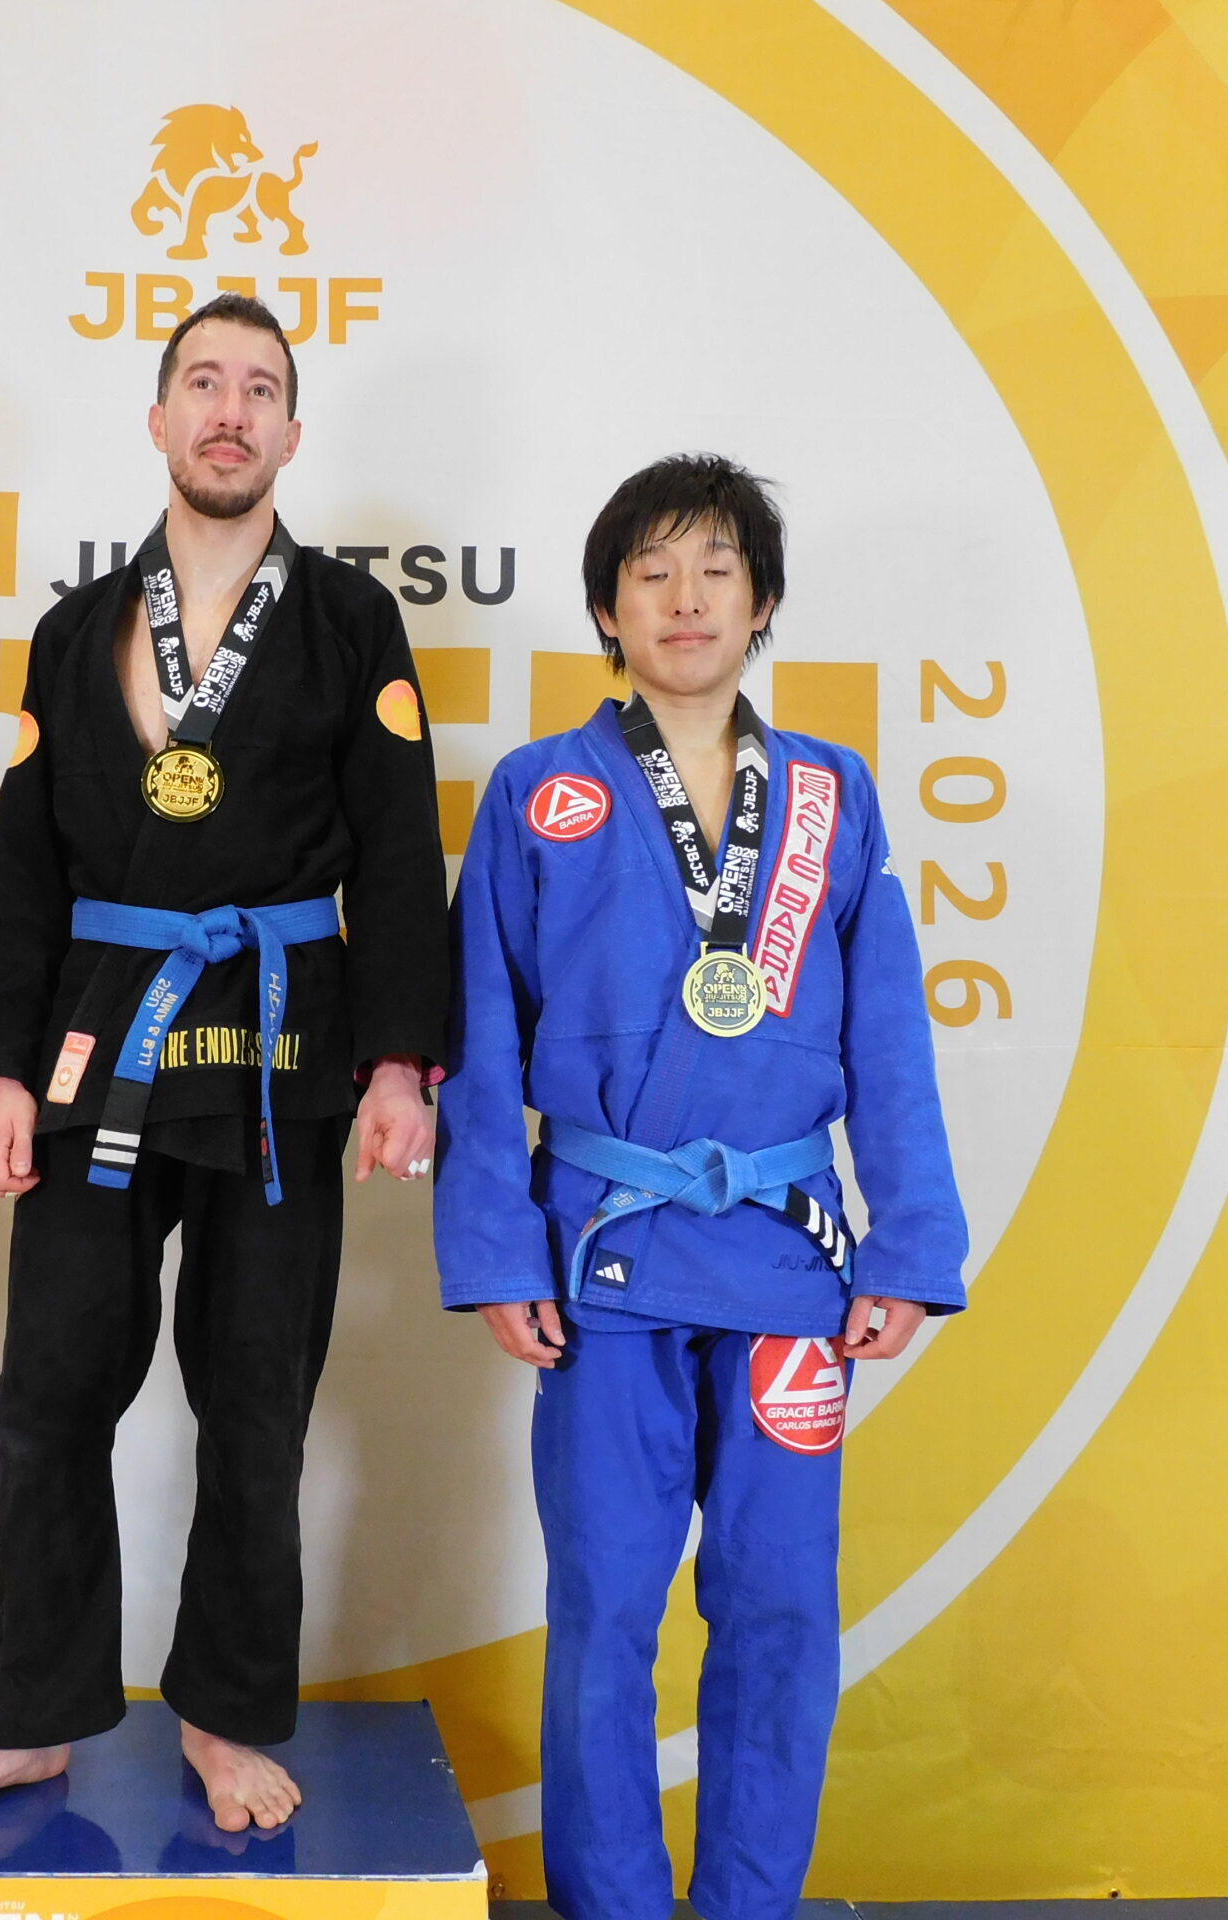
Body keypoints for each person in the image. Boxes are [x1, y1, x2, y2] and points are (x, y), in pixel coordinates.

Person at [0, 293, 448, 1838]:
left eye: (260, 388)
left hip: (279, 1052)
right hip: (97, 1048)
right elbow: (25, 856)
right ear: (157, 418)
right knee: (51, 1391)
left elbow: (400, 853)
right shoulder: (79, 632)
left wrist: (399, 1063)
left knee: (256, 1402)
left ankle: (225, 1710)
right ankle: (27, 1719)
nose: (230, 410)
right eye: (203, 381)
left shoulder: (348, 623)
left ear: (292, 434)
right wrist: (0, 1071)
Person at [433, 455, 968, 1920]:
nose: (685, 599)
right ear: (607, 608)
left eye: (717, 571)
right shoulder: (540, 792)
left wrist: (909, 1242)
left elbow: (889, 1039)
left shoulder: (832, 796)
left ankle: (748, 1907)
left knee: (782, 1608)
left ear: (762, 603)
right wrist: (498, 1248)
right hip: (603, 1259)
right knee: (606, 1611)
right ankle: (611, 1907)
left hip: (790, 1263)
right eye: (652, 572)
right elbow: (483, 1039)